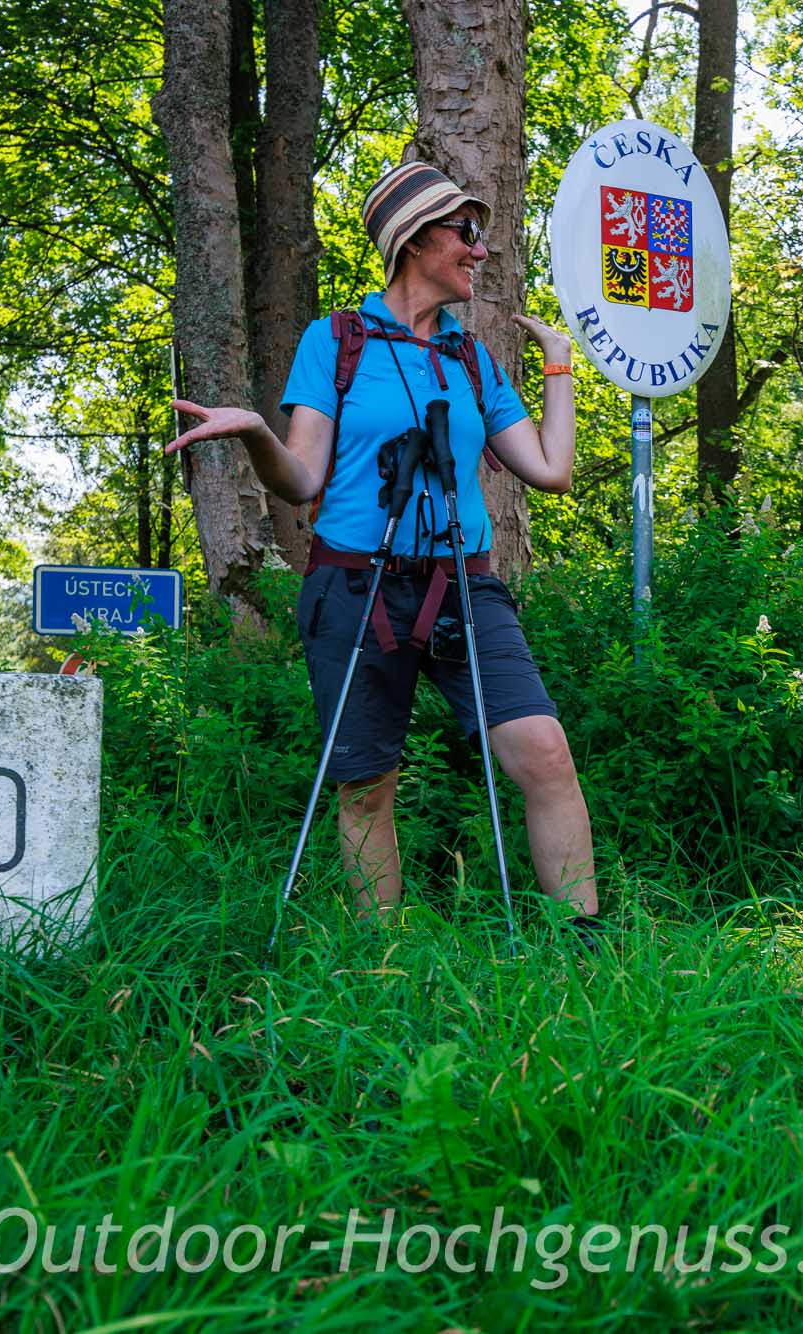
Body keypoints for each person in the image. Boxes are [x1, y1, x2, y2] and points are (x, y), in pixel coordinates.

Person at [165, 161, 599, 933]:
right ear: (413, 239)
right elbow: (301, 480)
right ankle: (383, 966)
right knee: (366, 786)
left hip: (465, 588)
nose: (479, 249)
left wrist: (559, 365)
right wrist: (259, 433)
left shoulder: (471, 359)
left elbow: (550, 471)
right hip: (355, 589)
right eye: (465, 232)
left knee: (545, 753)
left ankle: (586, 946)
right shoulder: (336, 340)